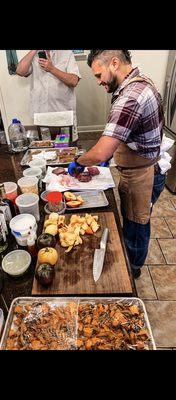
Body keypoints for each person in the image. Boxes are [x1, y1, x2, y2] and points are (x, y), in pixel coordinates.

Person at [68, 50, 165, 279]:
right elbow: (126, 134)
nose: (99, 81)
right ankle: (131, 261)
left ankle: (132, 271)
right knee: (133, 220)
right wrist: (107, 160)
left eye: (99, 75)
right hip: (141, 167)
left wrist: (78, 162)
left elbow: (101, 149)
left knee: (136, 225)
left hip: (142, 174)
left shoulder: (130, 97)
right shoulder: (137, 83)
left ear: (114, 63)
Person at [16, 50, 81, 142]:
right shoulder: (34, 56)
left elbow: (73, 81)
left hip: (63, 114)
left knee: (66, 150)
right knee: (45, 150)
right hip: (41, 115)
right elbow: (20, 71)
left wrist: (51, 69)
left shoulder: (67, 53)